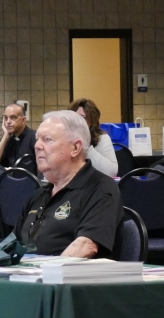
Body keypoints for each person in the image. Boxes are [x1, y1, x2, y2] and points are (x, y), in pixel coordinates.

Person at [14, 110, 122, 258]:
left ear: (75, 148)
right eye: (37, 139)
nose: (37, 145)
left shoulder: (101, 189)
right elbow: (13, 244)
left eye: (47, 139)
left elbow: (86, 246)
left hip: (66, 278)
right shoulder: (38, 195)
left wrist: (48, 275)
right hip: (25, 276)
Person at [69, 98, 117, 177]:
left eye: (83, 118)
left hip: (94, 185)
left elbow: (111, 172)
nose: (77, 121)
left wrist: (85, 146)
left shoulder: (102, 138)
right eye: (74, 117)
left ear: (91, 121)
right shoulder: (63, 138)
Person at [0, 103, 38, 175]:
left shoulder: (34, 137)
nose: (8, 122)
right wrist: (5, 137)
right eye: (5, 118)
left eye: (13, 117)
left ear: (23, 120)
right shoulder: (10, 140)